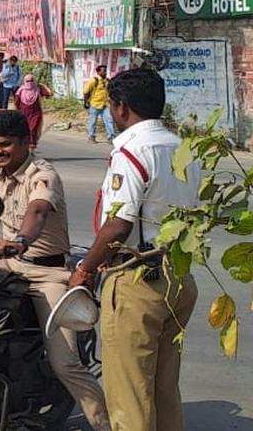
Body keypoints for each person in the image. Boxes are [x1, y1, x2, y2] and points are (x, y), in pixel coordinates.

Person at [70, 68, 200, 431]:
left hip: (138, 278)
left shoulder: (131, 152)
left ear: (121, 107)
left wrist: (84, 269)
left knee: (129, 396)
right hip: (178, 273)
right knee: (164, 389)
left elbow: (118, 225)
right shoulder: (185, 151)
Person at [0, 111, 112, 431]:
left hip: (47, 275)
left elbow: (36, 213)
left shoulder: (43, 175)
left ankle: (106, 425)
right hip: (6, 266)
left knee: (65, 363)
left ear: (26, 142)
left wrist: (19, 242)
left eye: (5, 144)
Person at [14, 74, 53, 148]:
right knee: (24, 128)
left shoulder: (38, 89)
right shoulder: (20, 90)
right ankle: (25, 143)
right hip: (24, 112)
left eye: (31, 81)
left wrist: (43, 86)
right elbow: (16, 103)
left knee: (33, 128)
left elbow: (49, 94)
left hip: (35, 113)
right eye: (27, 81)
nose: (30, 83)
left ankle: (32, 143)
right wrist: (17, 112)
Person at [83, 65, 116, 143]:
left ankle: (111, 137)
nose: (105, 72)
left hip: (105, 104)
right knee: (93, 121)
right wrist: (86, 102)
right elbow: (86, 92)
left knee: (109, 120)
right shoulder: (94, 80)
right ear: (98, 72)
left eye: (105, 71)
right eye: (103, 71)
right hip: (95, 104)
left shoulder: (107, 81)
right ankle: (91, 137)